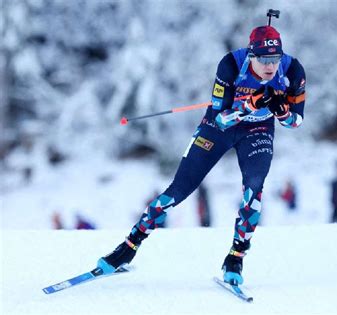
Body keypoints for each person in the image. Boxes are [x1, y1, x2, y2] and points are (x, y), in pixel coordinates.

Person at [97, 20, 306, 286]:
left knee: (254, 187)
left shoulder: (292, 70)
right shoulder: (230, 65)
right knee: (179, 190)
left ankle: (236, 257)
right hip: (219, 127)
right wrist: (250, 105)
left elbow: (297, 122)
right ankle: (129, 246)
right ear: (251, 55)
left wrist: (283, 112)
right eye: (263, 59)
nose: (269, 66)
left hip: (258, 131)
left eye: (274, 58)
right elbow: (221, 119)